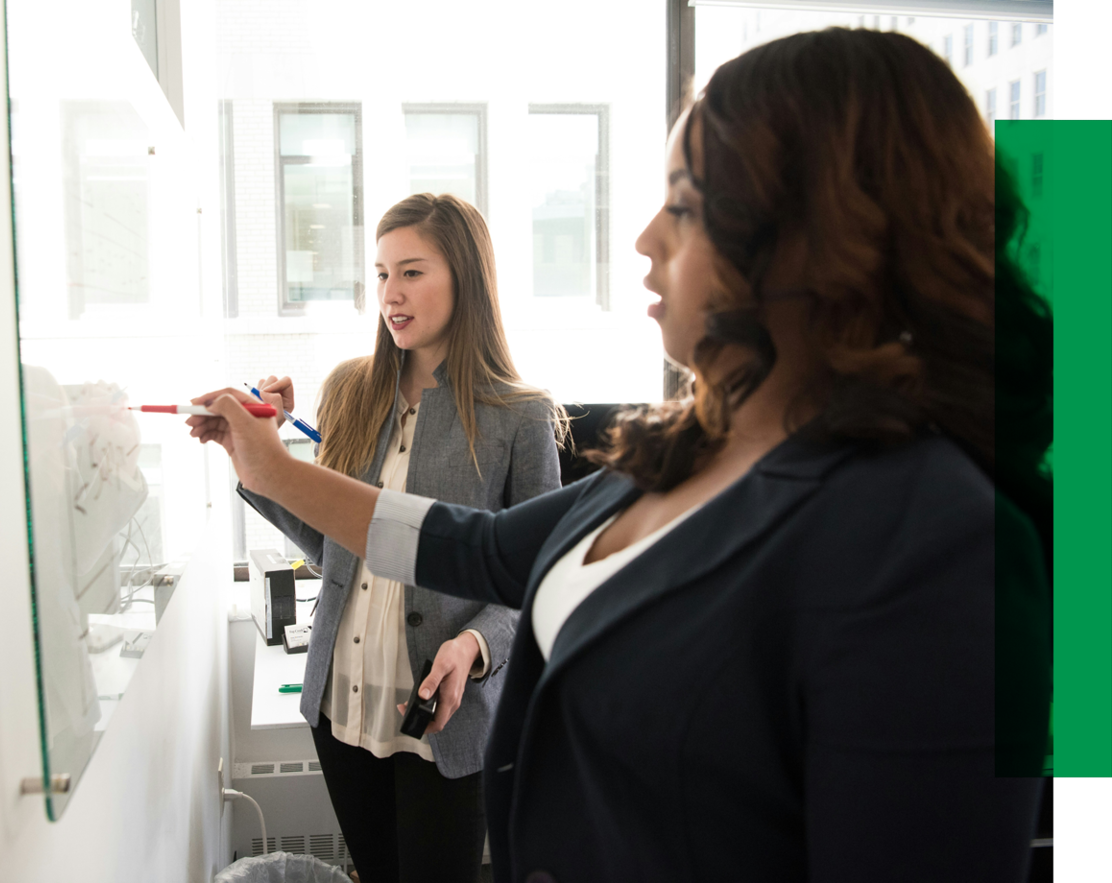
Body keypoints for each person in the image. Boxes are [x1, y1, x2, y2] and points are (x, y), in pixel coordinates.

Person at [189, 29, 1050, 883]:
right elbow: (475, 547)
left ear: (815, 233)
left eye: (682, 203)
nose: (644, 238)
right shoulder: (676, 454)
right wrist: (268, 468)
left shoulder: (936, 542)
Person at [203, 194, 565, 883]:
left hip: (444, 716)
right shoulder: (350, 389)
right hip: (344, 701)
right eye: (379, 275)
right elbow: (330, 544)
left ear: (465, 277)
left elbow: (536, 582)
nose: (389, 295)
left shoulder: (521, 416)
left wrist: (475, 645)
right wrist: (259, 457)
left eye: (411, 272)